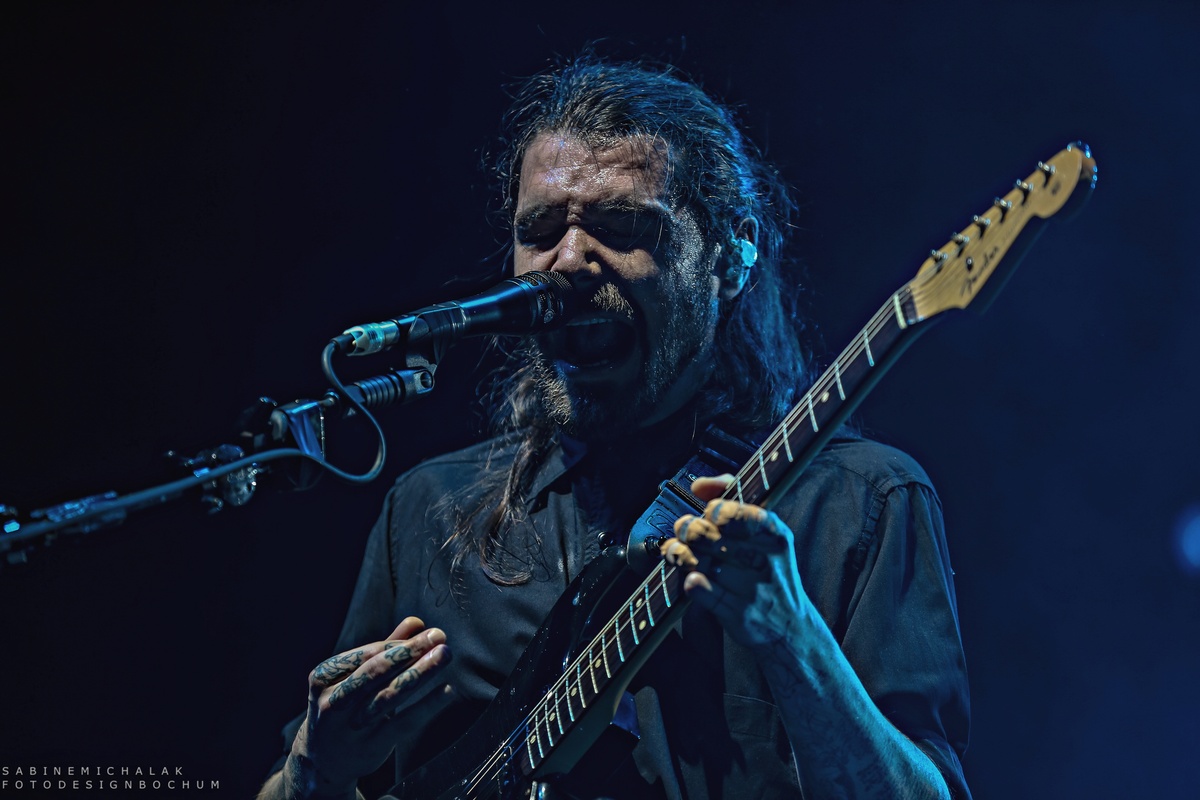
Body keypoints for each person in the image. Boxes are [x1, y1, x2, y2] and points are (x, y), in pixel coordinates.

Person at [260, 55, 971, 800]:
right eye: (540, 230)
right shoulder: (428, 509)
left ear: (731, 255)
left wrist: (794, 641)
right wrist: (314, 769)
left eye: (622, 225)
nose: (567, 261)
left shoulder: (860, 504)